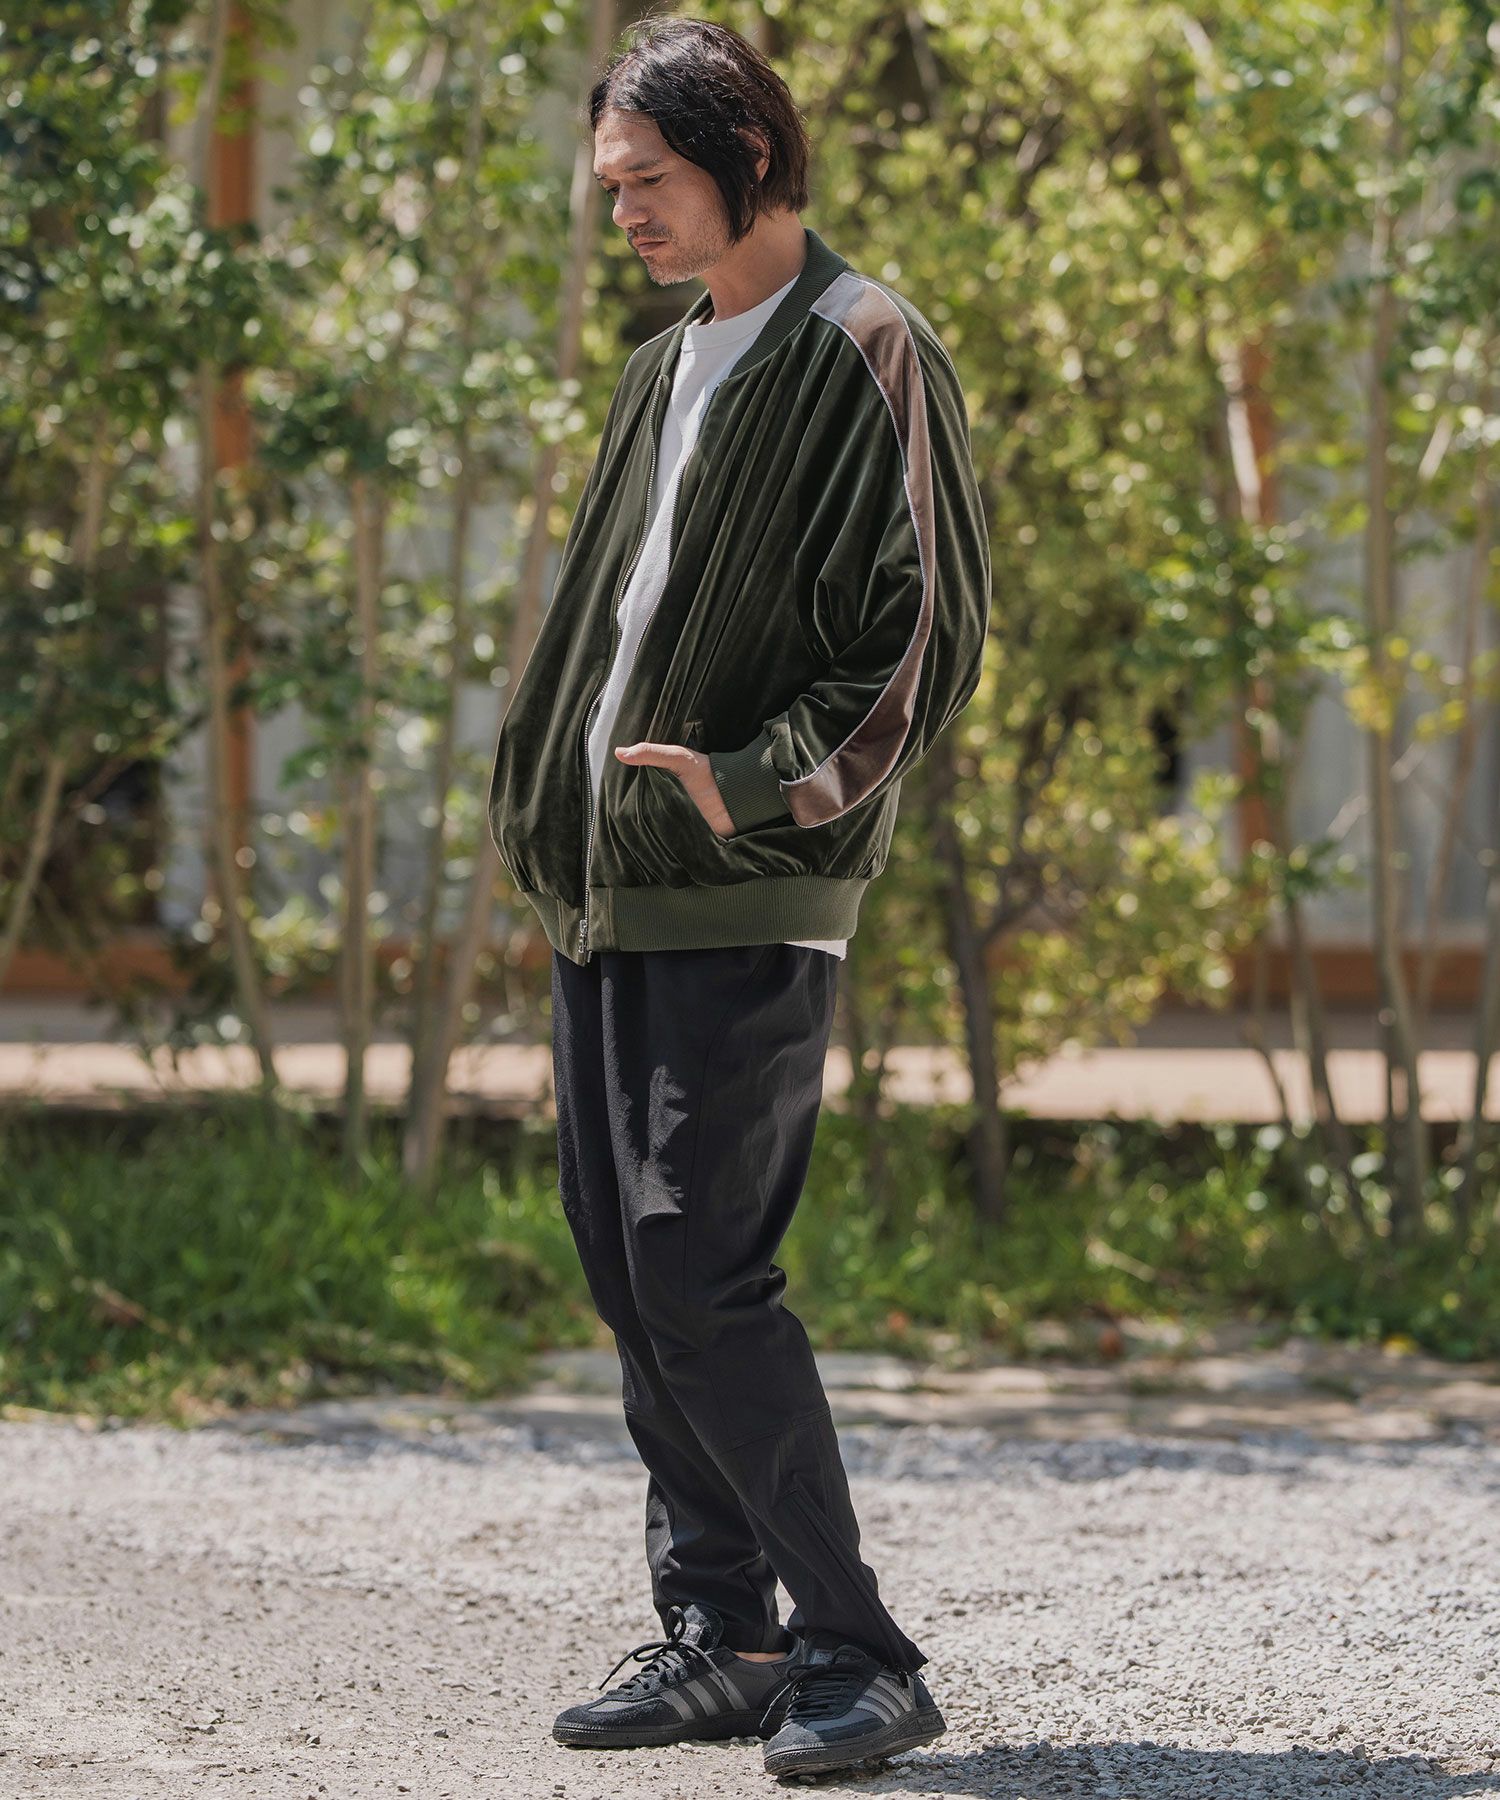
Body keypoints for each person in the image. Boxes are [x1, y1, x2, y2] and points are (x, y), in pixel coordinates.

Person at [485, 13, 991, 1781]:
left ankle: (860, 1651)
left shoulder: (867, 344)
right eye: (610, 185)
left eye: (650, 180)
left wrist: (758, 783)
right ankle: (725, 1634)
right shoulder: (659, 370)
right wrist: (546, 795)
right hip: (607, 887)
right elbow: (613, 618)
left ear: (749, 158)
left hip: (747, 889)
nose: (624, 210)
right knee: (631, 1272)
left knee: (701, 1263)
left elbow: (926, 631)